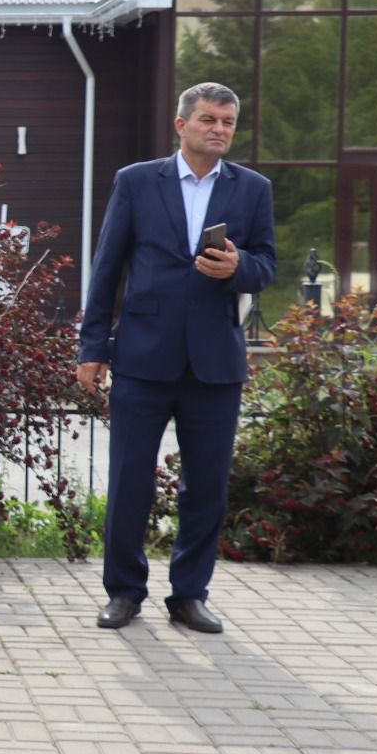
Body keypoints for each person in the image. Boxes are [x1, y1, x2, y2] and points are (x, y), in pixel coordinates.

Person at [78, 81, 275, 634]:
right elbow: (107, 269)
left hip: (214, 363)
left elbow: (267, 265)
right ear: (181, 124)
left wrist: (237, 268)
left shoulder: (252, 189)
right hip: (142, 358)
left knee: (206, 486)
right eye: (209, 119)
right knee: (129, 482)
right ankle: (124, 591)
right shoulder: (138, 182)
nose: (219, 129)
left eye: (228, 122)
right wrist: (92, 348)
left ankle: (189, 595)